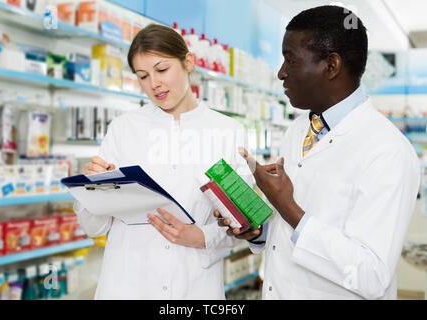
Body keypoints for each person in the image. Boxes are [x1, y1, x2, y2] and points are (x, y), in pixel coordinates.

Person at [216, 5, 420, 299]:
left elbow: (371, 275)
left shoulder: (387, 151)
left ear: (331, 65)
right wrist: (258, 230)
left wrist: (288, 208)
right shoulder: (298, 131)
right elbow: (292, 233)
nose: (281, 73)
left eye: (291, 61)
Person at [75, 24, 250, 299]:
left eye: (162, 70)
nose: (153, 84)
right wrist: (93, 187)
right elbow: (92, 227)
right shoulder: (124, 128)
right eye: (143, 76)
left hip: (194, 285)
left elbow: (245, 220)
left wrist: (202, 237)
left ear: (188, 61)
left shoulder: (228, 132)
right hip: (126, 284)